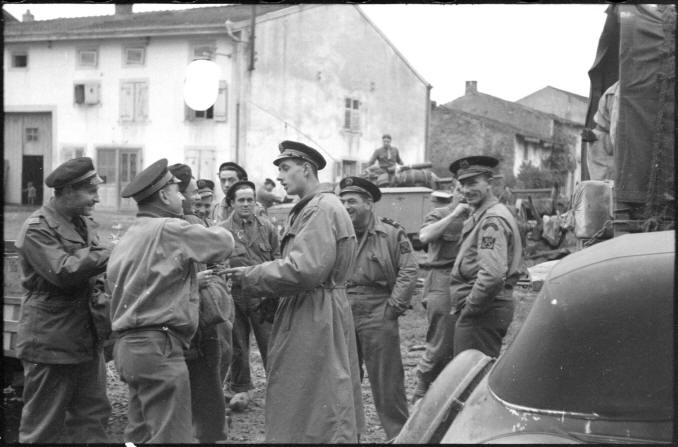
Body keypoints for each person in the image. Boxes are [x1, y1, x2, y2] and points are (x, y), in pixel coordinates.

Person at [225, 140, 365, 443]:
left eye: (286, 168)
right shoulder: (315, 207)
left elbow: (304, 269)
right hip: (317, 306)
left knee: (316, 394)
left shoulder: (319, 209)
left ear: (307, 169)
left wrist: (248, 276)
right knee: (317, 391)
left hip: (314, 310)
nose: (280, 176)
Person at [107, 159, 234, 444]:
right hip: (159, 348)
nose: (184, 199)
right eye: (178, 192)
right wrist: (200, 221)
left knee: (139, 435)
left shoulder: (132, 233)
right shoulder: (169, 228)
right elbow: (223, 244)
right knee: (171, 436)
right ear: (164, 196)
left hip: (129, 348)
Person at [15, 157, 111, 443]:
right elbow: (63, 271)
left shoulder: (83, 223)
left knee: (93, 418)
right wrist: (110, 254)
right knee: (44, 426)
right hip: (51, 341)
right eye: (91, 191)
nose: (97, 198)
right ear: (68, 191)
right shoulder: (37, 228)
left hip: (86, 337)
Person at [338, 176, 416, 441]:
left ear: (369, 203)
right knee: (344, 376)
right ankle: (349, 435)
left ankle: (398, 436)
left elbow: (409, 270)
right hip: (344, 306)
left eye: (352, 201)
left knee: (387, 380)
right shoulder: (338, 232)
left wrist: (393, 307)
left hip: (378, 308)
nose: (346, 206)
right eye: (342, 201)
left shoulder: (391, 233)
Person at [169, 163, 232, 443]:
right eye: (193, 192)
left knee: (204, 379)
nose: (198, 197)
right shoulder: (181, 225)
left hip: (197, 314)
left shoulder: (191, 222)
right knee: (201, 380)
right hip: (189, 316)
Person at [448, 156, 523, 358]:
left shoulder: (492, 220)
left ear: (489, 183)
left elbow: (493, 275)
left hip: (484, 309)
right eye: (463, 184)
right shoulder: (485, 214)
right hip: (486, 307)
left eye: (473, 183)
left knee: (470, 371)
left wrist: (470, 307)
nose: (466, 190)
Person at [220, 180, 279, 412]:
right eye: (241, 200)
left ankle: (278, 389)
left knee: (270, 343)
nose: (246, 204)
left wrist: (275, 292)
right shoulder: (222, 231)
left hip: (263, 296)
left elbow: (278, 259)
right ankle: (240, 388)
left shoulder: (267, 228)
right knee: (238, 344)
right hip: (234, 295)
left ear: (255, 202)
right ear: (232, 203)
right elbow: (215, 262)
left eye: (250, 200)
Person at [411, 185, 469, 403]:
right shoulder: (441, 214)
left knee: (466, 340)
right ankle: (422, 389)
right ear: (454, 191)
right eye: (461, 188)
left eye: (470, 187)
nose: (465, 193)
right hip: (443, 280)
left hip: (470, 281)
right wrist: (454, 215)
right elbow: (424, 236)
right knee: (441, 340)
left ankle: (453, 395)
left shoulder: (482, 216)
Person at [588, 80, 618, 181]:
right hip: (603, 142)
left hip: (604, 139)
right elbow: (616, 132)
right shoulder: (618, 92)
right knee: (605, 185)